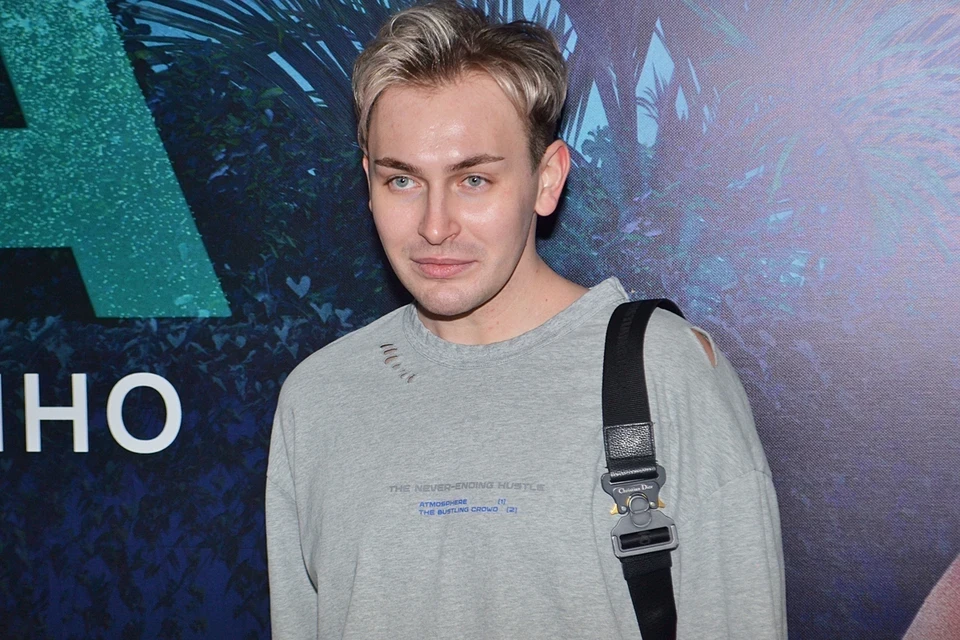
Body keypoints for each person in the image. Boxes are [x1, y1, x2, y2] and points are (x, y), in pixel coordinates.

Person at [265, 2, 787, 638]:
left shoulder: (664, 372)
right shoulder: (319, 398)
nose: (435, 225)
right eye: (403, 181)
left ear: (547, 180)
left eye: (474, 180)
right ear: (368, 182)